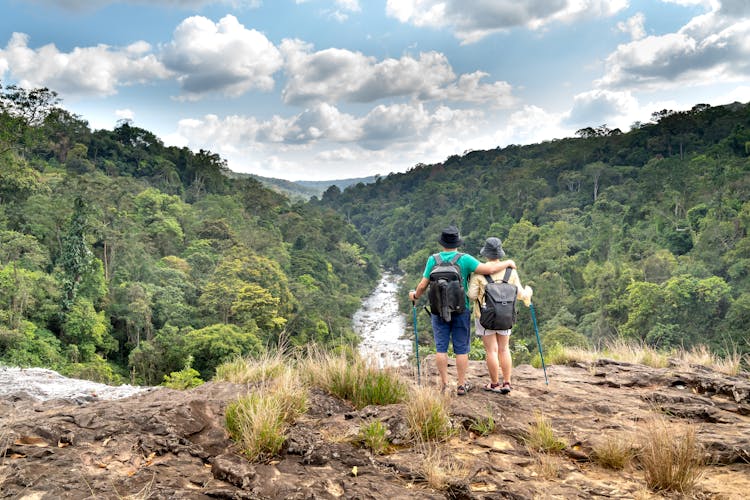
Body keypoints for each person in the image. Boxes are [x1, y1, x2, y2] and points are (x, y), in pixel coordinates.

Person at [409, 226, 516, 396]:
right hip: (461, 310)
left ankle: (445, 384)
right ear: (457, 242)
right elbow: (489, 269)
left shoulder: (433, 259)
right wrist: (509, 263)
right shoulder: (465, 259)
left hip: (438, 311)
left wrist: (415, 295)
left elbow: (423, 285)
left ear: (442, 243)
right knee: (461, 349)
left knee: (441, 348)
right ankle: (460, 384)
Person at [468, 237, 532, 395]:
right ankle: (507, 383)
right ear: (499, 253)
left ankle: (494, 384)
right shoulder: (511, 271)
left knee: (491, 350)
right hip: (506, 315)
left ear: (486, 254)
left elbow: (471, 295)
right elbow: (519, 293)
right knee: (504, 349)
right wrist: (529, 292)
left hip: (484, 317)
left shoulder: (479, 272)